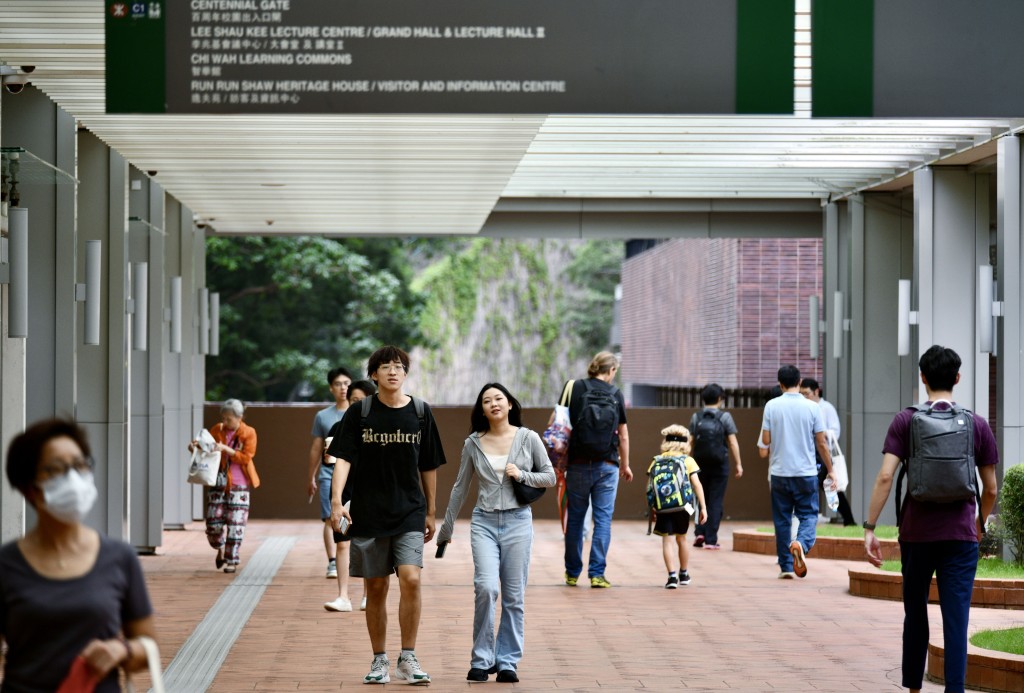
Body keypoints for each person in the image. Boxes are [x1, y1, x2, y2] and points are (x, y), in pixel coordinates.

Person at [863, 345, 999, 693]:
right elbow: (991, 490)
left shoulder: (905, 420)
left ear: (922, 377)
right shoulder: (976, 423)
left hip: (917, 534)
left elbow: (885, 477)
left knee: (916, 614)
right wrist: (979, 524)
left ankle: (913, 688)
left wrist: (870, 527)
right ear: (957, 378)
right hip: (960, 536)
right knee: (956, 619)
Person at [0, 418, 156, 692]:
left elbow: (147, 645)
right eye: (56, 469)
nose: (73, 478)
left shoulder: (120, 558)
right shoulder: (6, 565)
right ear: (29, 487)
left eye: (80, 465)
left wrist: (121, 650)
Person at [327, 346, 447, 685]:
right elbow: (344, 458)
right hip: (368, 511)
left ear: (406, 373)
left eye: (399, 366)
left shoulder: (421, 413)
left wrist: (431, 509)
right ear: (374, 375)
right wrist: (337, 502)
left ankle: (407, 656)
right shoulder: (360, 413)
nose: (393, 372)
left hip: (409, 510)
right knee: (376, 587)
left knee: (411, 578)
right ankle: (379, 660)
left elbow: (428, 465)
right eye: (385, 367)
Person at [437, 383, 556, 683]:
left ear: (510, 404)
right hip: (484, 523)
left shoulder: (528, 438)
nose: (493, 404)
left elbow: (550, 477)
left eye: (499, 398)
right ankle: (481, 659)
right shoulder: (473, 443)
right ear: (482, 409)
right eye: (487, 400)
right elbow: (460, 487)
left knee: (514, 596)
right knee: (487, 588)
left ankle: (507, 662)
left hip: (518, 522)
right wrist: (447, 527)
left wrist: (522, 474)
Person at [557, 351, 632, 589]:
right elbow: (623, 434)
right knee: (603, 521)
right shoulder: (615, 394)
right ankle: (597, 574)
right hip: (607, 465)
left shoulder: (575, 387)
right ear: (611, 370)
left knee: (576, 520)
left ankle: (571, 573)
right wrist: (626, 464)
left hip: (577, 464)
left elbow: (556, 421)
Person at [760, 365, 835, 579]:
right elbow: (821, 442)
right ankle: (801, 544)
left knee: (782, 519)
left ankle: (785, 566)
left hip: (779, 473)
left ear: (780, 384)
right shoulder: (813, 407)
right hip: (806, 473)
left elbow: (765, 442)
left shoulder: (771, 406)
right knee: (809, 515)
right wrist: (831, 470)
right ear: (800, 382)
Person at [323, 379, 376, 613]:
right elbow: (332, 462)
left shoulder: (379, 428)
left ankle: (367, 596)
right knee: (343, 543)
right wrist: (328, 457)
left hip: (369, 492)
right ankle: (343, 596)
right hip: (344, 493)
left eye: (362, 400)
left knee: (367, 545)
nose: (357, 404)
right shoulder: (339, 427)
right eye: (353, 400)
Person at [190, 398, 260, 573]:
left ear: (240, 417)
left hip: (240, 484)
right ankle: (219, 548)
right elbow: (207, 449)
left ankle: (232, 560)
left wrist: (226, 450)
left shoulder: (248, 432)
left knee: (236, 524)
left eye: (229, 419)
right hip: (218, 482)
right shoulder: (217, 429)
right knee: (213, 522)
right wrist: (194, 448)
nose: (226, 422)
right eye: (224, 418)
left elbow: (246, 457)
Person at [308, 367, 353, 581]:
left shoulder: (359, 413)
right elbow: (316, 448)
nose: (343, 388)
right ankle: (333, 560)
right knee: (329, 518)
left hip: (355, 476)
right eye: (338, 384)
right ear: (331, 388)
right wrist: (311, 477)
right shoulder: (323, 416)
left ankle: (347, 553)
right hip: (328, 473)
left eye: (346, 383)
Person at [649, 424, 707, 588]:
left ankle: (671, 576)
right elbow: (697, 485)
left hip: (663, 508)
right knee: (682, 539)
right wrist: (702, 508)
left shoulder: (656, 461)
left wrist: (653, 507)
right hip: (684, 507)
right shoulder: (688, 460)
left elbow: (650, 487)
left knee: (666, 541)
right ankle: (684, 572)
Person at [688, 384, 743, 549]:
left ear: (703, 399)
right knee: (716, 500)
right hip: (720, 464)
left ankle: (700, 532)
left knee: (700, 498)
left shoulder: (696, 417)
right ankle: (711, 539)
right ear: (720, 399)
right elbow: (732, 442)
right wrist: (739, 464)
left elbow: (690, 441)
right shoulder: (725, 417)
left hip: (699, 463)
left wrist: (685, 462)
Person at [799, 377, 856, 526]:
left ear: (816, 392)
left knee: (831, 489)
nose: (804, 397)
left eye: (807, 393)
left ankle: (848, 520)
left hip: (823, 455)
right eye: (802, 394)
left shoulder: (826, 408)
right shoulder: (803, 408)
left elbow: (835, 431)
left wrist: (821, 433)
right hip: (808, 454)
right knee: (815, 487)